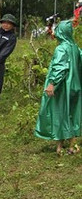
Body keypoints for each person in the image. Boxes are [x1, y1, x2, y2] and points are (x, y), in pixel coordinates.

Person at [34, 20, 82, 155]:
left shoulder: (61, 48)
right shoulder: (75, 47)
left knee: (59, 113)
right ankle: (71, 146)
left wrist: (52, 84)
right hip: (76, 86)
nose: (54, 32)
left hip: (63, 87)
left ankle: (59, 147)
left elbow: (60, 68)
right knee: (72, 114)